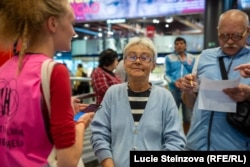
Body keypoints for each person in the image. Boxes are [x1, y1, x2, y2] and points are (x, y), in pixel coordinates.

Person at [0, 0, 94, 166]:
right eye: (71, 23)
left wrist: (59, 108)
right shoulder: (55, 71)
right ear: (52, 23)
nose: (73, 32)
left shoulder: (5, 69)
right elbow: (68, 160)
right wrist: (81, 123)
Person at [90, 37, 186, 167]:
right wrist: (107, 163)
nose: (138, 61)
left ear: (153, 65)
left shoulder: (165, 97)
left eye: (145, 57)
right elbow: (99, 133)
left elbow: (176, 140)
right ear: (124, 63)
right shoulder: (112, 94)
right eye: (132, 56)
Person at [180, 9, 250, 151]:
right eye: (223, 36)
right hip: (195, 145)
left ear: (247, 31)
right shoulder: (204, 57)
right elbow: (191, 104)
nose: (229, 41)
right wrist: (187, 90)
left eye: (236, 36)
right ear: (218, 31)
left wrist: (248, 94)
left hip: (234, 148)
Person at [164, 37, 195, 134]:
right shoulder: (169, 58)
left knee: (188, 117)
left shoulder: (191, 58)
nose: (179, 45)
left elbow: (194, 73)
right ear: (174, 46)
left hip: (187, 91)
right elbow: (166, 74)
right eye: (177, 44)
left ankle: (186, 137)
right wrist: (174, 82)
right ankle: (170, 136)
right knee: (171, 115)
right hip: (174, 90)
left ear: (185, 45)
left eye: (181, 43)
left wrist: (189, 81)